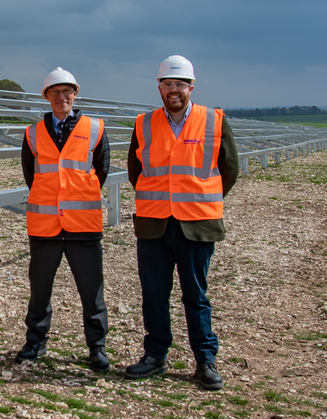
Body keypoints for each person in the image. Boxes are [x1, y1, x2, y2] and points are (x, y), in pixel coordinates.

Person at [124, 55, 239, 389]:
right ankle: (155, 355)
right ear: (159, 87)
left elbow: (229, 168)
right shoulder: (144, 123)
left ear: (191, 86)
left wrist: (203, 196)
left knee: (196, 295)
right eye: (167, 84)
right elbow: (136, 171)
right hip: (153, 222)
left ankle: (205, 360)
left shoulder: (213, 120)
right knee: (154, 293)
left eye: (179, 84)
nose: (173, 90)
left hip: (197, 223)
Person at [16, 67, 111, 371]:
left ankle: (97, 346)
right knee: (40, 289)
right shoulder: (32, 133)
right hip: (45, 227)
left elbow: (102, 171)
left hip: (83, 226)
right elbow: (32, 176)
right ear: (46, 97)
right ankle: (35, 341)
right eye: (54, 92)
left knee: (91, 290)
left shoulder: (95, 128)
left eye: (66, 91)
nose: (61, 97)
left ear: (75, 93)